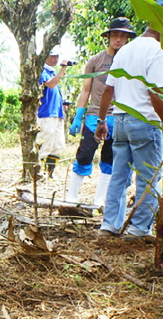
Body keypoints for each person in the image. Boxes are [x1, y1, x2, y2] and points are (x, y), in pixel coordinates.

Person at [95, 21, 163, 241]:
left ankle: (109, 225)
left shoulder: (124, 51)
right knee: (148, 178)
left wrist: (102, 120)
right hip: (145, 120)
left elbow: (108, 89)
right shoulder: (156, 51)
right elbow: (155, 93)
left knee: (119, 176)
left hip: (121, 120)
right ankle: (139, 229)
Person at [66, 18, 135, 207]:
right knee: (85, 154)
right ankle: (71, 198)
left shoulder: (131, 63)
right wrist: (78, 116)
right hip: (94, 117)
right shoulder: (95, 61)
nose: (118, 39)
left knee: (110, 159)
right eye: (115, 35)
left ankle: (100, 201)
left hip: (120, 117)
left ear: (128, 38)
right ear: (108, 37)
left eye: (123, 36)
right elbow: (86, 90)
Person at [37, 45, 71, 179]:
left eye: (57, 56)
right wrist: (63, 69)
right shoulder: (42, 71)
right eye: (52, 56)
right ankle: (37, 172)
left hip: (57, 114)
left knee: (58, 145)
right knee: (45, 143)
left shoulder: (52, 72)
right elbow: (50, 84)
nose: (55, 59)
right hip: (46, 113)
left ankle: (50, 173)